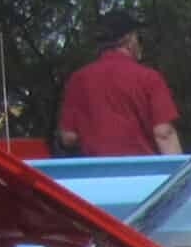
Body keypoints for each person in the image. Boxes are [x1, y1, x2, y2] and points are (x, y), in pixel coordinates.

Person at [57, 9, 181, 156]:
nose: (141, 44)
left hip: (94, 174)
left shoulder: (77, 80)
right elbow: (164, 134)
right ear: (128, 40)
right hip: (140, 171)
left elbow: (68, 138)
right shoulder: (148, 77)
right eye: (138, 38)